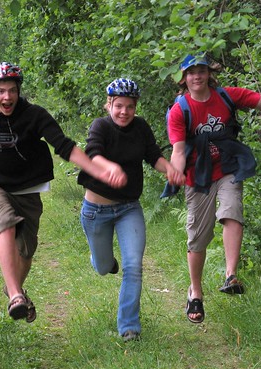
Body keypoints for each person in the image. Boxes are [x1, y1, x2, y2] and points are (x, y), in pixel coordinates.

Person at [0, 62, 127, 323]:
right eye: (1, 91)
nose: (7, 97)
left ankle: (16, 288)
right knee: (5, 223)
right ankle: (14, 295)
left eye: (12, 90)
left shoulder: (34, 115)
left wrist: (97, 169)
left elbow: (64, 146)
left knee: (26, 251)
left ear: (19, 91)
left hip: (28, 188)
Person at [166, 53, 261, 324]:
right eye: (191, 72)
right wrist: (175, 169)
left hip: (228, 168)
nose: (197, 76)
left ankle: (231, 274)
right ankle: (195, 291)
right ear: (184, 78)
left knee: (232, 211)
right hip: (198, 177)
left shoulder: (227, 96)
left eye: (202, 70)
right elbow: (178, 149)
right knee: (198, 238)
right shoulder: (180, 110)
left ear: (209, 74)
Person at [78, 78, 184, 341]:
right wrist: (109, 167)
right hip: (96, 210)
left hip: (128, 209)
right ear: (110, 104)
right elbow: (93, 153)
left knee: (134, 266)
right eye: (119, 106)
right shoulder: (100, 126)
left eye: (130, 107)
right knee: (103, 267)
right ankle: (103, 260)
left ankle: (129, 328)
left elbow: (153, 156)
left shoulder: (140, 127)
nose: (124, 112)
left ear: (136, 107)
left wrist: (169, 169)